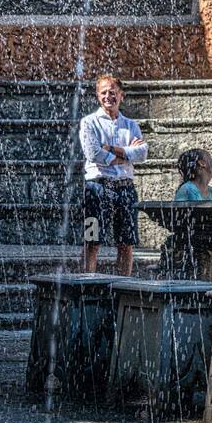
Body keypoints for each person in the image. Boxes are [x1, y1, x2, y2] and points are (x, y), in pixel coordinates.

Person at [80, 74, 147, 274]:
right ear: (97, 96)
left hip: (125, 187)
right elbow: (92, 153)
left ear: (121, 95)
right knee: (91, 240)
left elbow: (142, 153)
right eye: (104, 92)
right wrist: (126, 154)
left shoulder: (131, 125)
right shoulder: (88, 122)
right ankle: (86, 286)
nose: (108, 96)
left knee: (126, 242)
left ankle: (122, 288)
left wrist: (109, 148)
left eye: (113, 92)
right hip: (96, 187)